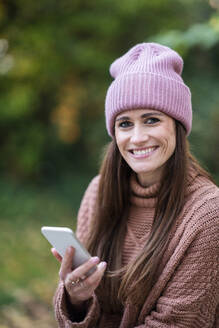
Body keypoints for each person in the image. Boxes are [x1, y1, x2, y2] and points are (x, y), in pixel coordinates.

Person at [52, 42, 219, 327]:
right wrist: (76, 299)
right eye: (125, 124)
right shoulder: (98, 192)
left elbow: (175, 323)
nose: (137, 137)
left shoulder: (208, 212)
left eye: (151, 120)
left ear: (178, 127)